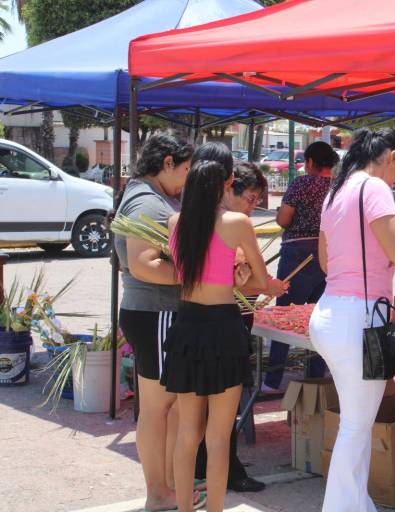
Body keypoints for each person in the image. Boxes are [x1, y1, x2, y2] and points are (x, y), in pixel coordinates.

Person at [309, 128, 395, 512]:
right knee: (356, 426)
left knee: (354, 422)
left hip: (330, 313)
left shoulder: (337, 191)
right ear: (391, 156)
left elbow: (326, 262)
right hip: (357, 319)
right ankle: (341, 507)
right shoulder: (374, 189)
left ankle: (356, 503)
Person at [163, 159, 271, 512]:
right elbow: (260, 282)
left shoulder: (176, 222)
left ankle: (184, 508)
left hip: (187, 326)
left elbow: (187, 273)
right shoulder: (237, 223)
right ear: (225, 184)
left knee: (187, 433)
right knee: (219, 437)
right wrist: (239, 278)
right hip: (224, 327)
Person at [113, 132, 205, 512]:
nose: (187, 178)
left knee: (167, 407)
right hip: (156, 312)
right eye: (185, 169)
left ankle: (167, 486)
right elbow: (142, 264)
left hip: (153, 313)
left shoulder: (152, 196)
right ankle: (160, 492)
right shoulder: (147, 203)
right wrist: (198, 275)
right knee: (159, 408)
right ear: (167, 162)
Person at [188, 145, 284, 494]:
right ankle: (221, 474)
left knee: (198, 418)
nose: (253, 205)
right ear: (227, 187)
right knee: (217, 417)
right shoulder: (230, 225)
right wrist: (261, 283)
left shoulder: (188, 220)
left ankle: (197, 483)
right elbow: (246, 280)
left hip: (196, 325)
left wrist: (251, 283)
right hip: (220, 324)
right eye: (251, 197)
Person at [262, 141, 340, 393]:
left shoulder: (302, 183)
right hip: (328, 253)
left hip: (298, 251)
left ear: (309, 162)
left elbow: (284, 219)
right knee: (319, 315)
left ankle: (273, 379)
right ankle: (316, 376)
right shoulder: (338, 187)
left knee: (283, 314)